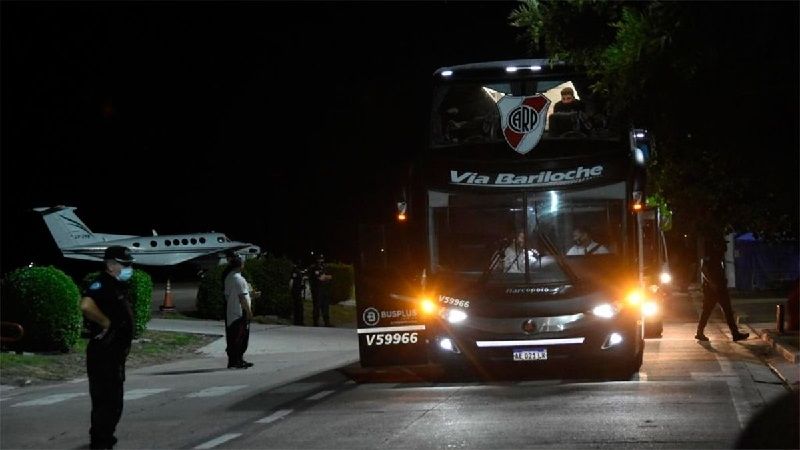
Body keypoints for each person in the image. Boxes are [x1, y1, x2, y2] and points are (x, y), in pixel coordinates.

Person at [79, 245, 136, 449]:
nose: (129, 268)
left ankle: (104, 440)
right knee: (108, 402)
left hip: (113, 354)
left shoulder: (115, 284)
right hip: (105, 353)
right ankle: (101, 442)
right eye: (125, 264)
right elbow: (86, 305)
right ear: (111, 265)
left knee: (112, 401)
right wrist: (105, 322)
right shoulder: (102, 283)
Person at [695, 240, 749, 342]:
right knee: (707, 311)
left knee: (727, 311)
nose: (725, 248)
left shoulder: (719, 257)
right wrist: (712, 284)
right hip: (713, 289)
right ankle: (699, 332)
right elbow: (704, 269)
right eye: (723, 246)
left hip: (720, 287)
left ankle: (735, 333)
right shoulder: (712, 255)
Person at [224, 254, 255, 368]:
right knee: (240, 338)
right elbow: (242, 297)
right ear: (240, 265)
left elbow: (228, 295)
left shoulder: (229, 277)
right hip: (239, 313)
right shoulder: (239, 279)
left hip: (231, 312)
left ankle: (236, 360)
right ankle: (236, 361)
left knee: (233, 337)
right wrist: (249, 312)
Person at [308, 254, 333, 327]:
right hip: (317, 290)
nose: (321, 260)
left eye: (322, 259)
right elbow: (319, 278)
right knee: (317, 306)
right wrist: (325, 277)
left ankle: (327, 322)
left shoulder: (324, 267)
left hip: (325, 290)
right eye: (320, 259)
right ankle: (315, 322)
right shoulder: (314, 268)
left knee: (325, 307)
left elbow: (330, 276)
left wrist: (325, 277)